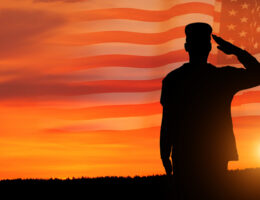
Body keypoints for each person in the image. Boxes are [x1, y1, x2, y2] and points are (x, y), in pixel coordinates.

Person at [160, 22, 260, 199]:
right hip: (213, 156)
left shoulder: (173, 79)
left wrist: (164, 151)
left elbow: (168, 120)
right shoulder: (222, 77)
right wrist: (235, 51)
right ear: (209, 47)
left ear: (186, 47)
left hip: (186, 155)